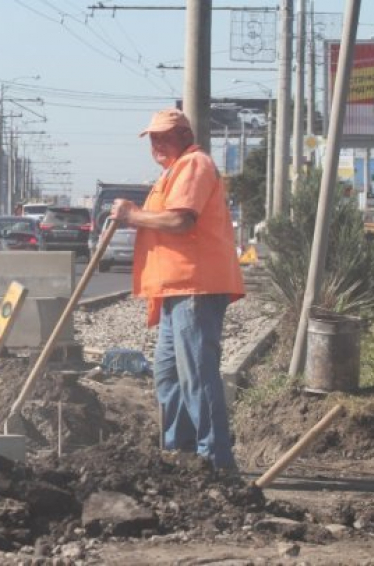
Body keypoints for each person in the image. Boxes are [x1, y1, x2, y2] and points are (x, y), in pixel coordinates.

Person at [110, 108, 245, 470]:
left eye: (164, 136)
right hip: (176, 291)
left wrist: (131, 215)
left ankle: (215, 462)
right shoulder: (172, 173)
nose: (156, 143)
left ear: (185, 136)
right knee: (169, 376)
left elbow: (180, 220)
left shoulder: (193, 165)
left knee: (198, 376)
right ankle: (181, 458)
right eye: (152, 137)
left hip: (195, 289)